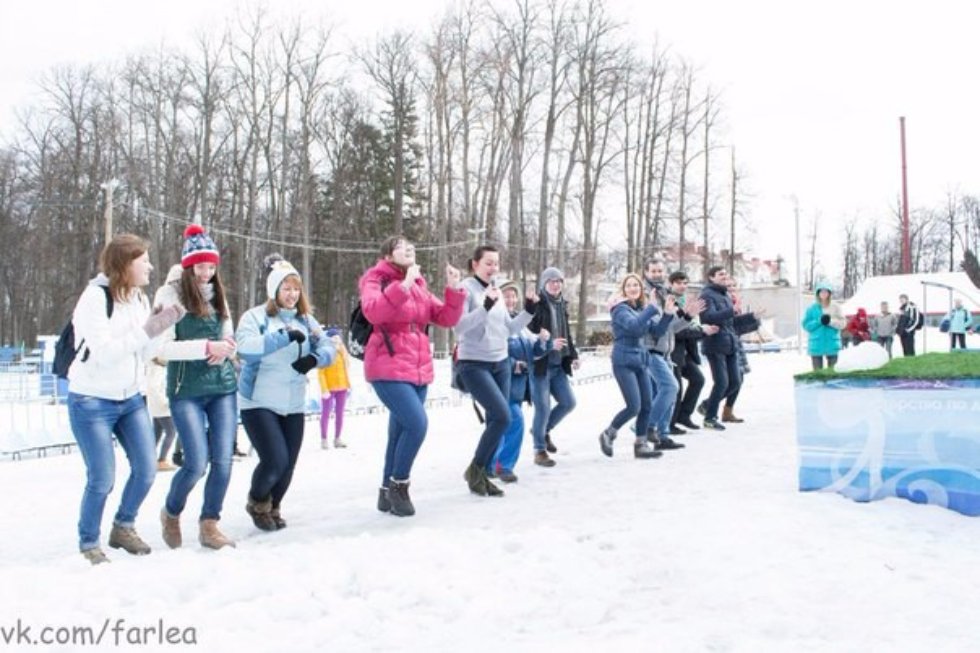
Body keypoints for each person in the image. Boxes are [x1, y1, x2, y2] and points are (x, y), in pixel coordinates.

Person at [67, 234, 185, 565]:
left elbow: (144, 352)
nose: (149, 266)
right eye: (143, 260)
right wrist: (147, 331)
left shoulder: (139, 299)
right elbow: (104, 353)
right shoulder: (95, 298)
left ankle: (123, 526)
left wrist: (160, 327)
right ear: (124, 265)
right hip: (91, 401)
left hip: (131, 397)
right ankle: (89, 541)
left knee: (147, 470)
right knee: (102, 477)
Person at [359, 236, 464, 516]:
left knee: (399, 432)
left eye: (411, 246)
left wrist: (453, 289)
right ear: (388, 254)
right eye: (401, 246)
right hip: (386, 365)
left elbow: (444, 318)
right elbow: (373, 312)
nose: (409, 249)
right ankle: (399, 484)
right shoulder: (375, 279)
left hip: (417, 370)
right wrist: (402, 286)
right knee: (417, 424)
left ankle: (385, 492)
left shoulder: (419, 285)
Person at [236, 254, 336, 531]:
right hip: (258, 400)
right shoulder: (255, 317)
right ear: (274, 291)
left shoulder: (307, 320)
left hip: (292, 402)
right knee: (275, 459)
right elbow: (245, 348)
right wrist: (282, 337)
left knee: (289, 463)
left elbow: (328, 346)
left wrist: (315, 360)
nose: (291, 295)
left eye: (295, 289)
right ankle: (257, 502)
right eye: (286, 288)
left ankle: (274, 506)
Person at [156, 225, 239, 550]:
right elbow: (163, 348)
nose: (206, 273)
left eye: (211, 266)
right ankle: (171, 512)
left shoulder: (218, 294)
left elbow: (228, 331)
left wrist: (227, 347)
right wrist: (206, 347)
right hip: (186, 388)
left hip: (222, 386)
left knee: (223, 459)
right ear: (188, 266)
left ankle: (210, 522)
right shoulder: (170, 296)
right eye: (200, 267)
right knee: (196, 462)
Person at [599, 273, 671, 459]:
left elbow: (656, 332)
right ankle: (609, 433)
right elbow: (633, 327)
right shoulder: (620, 309)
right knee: (634, 406)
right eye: (629, 285)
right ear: (623, 289)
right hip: (624, 361)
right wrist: (651, 309)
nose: (633, 288)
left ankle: (641, 444)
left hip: (640, 360)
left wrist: (668, 315)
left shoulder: (640, 309)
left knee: (647, 405)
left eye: (636, 286)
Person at [487, 282, 550, 483]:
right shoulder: (494, 322)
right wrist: (513, 364)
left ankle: (489, 465)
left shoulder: (519, 324)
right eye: (506, 296)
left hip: (515, 389)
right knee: (514, 423)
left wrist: (541, 341)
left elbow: (534, 353)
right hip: (498, 385)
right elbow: (490, 351)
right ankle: (501, 465)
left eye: (514, 296)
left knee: (501, 425)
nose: (511, 300)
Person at [527, 267, 579, 466]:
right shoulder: (538, 305)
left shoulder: (561, 304)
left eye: (559, 281)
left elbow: (567, 334)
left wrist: (573, 355)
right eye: (551, 281)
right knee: (543, 408)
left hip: (558, 365)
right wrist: (548, 344)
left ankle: (542, 430)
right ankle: (539, 450)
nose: (556, 284)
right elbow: (530, 332)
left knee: (568, 402)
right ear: (544, 284)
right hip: (541, 365)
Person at [667, 271, 717, 432]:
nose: (683, 286)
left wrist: (702, 328)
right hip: (672, 351)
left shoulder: (685, 301)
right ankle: (670, 423)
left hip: (686, 352)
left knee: (698, 380)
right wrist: (703, 332)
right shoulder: (670, 302)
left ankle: (684, 415)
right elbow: (678, 331)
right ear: (671, 284)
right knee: (676, 389)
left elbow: (690, 325)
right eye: (679, 283)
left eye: (685, 283)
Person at [146, 266, 184, 472]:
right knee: (170, 431)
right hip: (161, 404)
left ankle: (148, 458)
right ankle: (159, 459)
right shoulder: (155, 365)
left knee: (158, 432)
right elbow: (153, 386)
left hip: (159, 404)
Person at [697, 266, 742, 431]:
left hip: (730, 343)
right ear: (711, 277)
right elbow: (707, 317)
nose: (725, 277)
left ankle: (707, 405)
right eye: (721, 274)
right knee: (722, 382)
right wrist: (731, 311)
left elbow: (730, 322)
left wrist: (753, 318)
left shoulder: (725, 295)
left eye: (726, 274)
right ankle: (710, 418)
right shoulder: (707, 295)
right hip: (715, 344)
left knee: (735, 382)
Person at [317, 327, 352, 449]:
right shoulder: (325, 352)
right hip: (329, 388)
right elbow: (321, 373)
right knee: (326, 414)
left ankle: (337, 438)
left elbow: (346, 368)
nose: (336, 340)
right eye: (333, 338)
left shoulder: (343, 352)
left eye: (338, 338)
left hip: (342, 387)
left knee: (340, 414)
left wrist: (349, 385)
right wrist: (324, 389)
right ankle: (324, 439)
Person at [802, 282, 846, 370]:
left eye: (826, 291)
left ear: (829, 293)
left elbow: (843, 324)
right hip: (816, 344)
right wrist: (819, 321)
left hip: (832, 344)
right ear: (818, 293)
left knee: (833, 373)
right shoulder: (812, 308)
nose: (823, 294)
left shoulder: (836, 307)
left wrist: (830, 321)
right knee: (818, 373)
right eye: (821, 291)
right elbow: (806, 325)